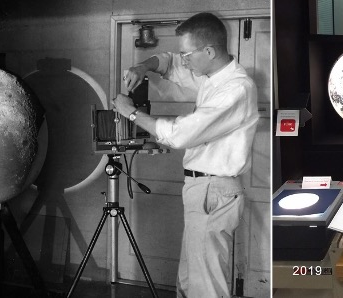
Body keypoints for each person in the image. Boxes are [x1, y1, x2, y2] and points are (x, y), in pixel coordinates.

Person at [111, 12, 258, 298]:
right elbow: (169, 62)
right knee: (190, 281)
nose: (184, 60)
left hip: (212, 190)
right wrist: (143, 66)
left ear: (209, 51)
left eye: (187, 54)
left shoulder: (235, 89)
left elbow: (180, 134)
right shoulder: (211, 77)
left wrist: (129, 111)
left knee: (206, 287)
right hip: (202, 188)